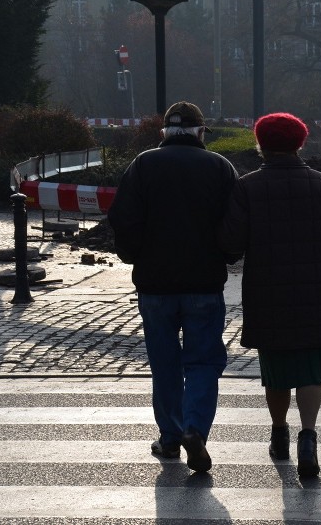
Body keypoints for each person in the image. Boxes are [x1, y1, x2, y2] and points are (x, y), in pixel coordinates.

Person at [218, 112, 321, 479]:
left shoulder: (248, 186)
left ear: (260, 144)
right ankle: (309, 438)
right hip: (317, 294)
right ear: (300, 143)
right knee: (310, 370)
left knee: (277, 371)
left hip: (268, 296)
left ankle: (279, 433)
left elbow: (231, 246)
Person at [108, 101, 239, 473]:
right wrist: (227, 256)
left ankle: (169, 437)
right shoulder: (219, 167)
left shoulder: (144, 164)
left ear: (164, 132)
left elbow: (122, 216)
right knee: (202, 361)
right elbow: (234, 222)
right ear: (200, 132)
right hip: (204, 283)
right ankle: (194, 429)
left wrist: (134, 255)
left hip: (155, 285)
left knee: (164, 362)